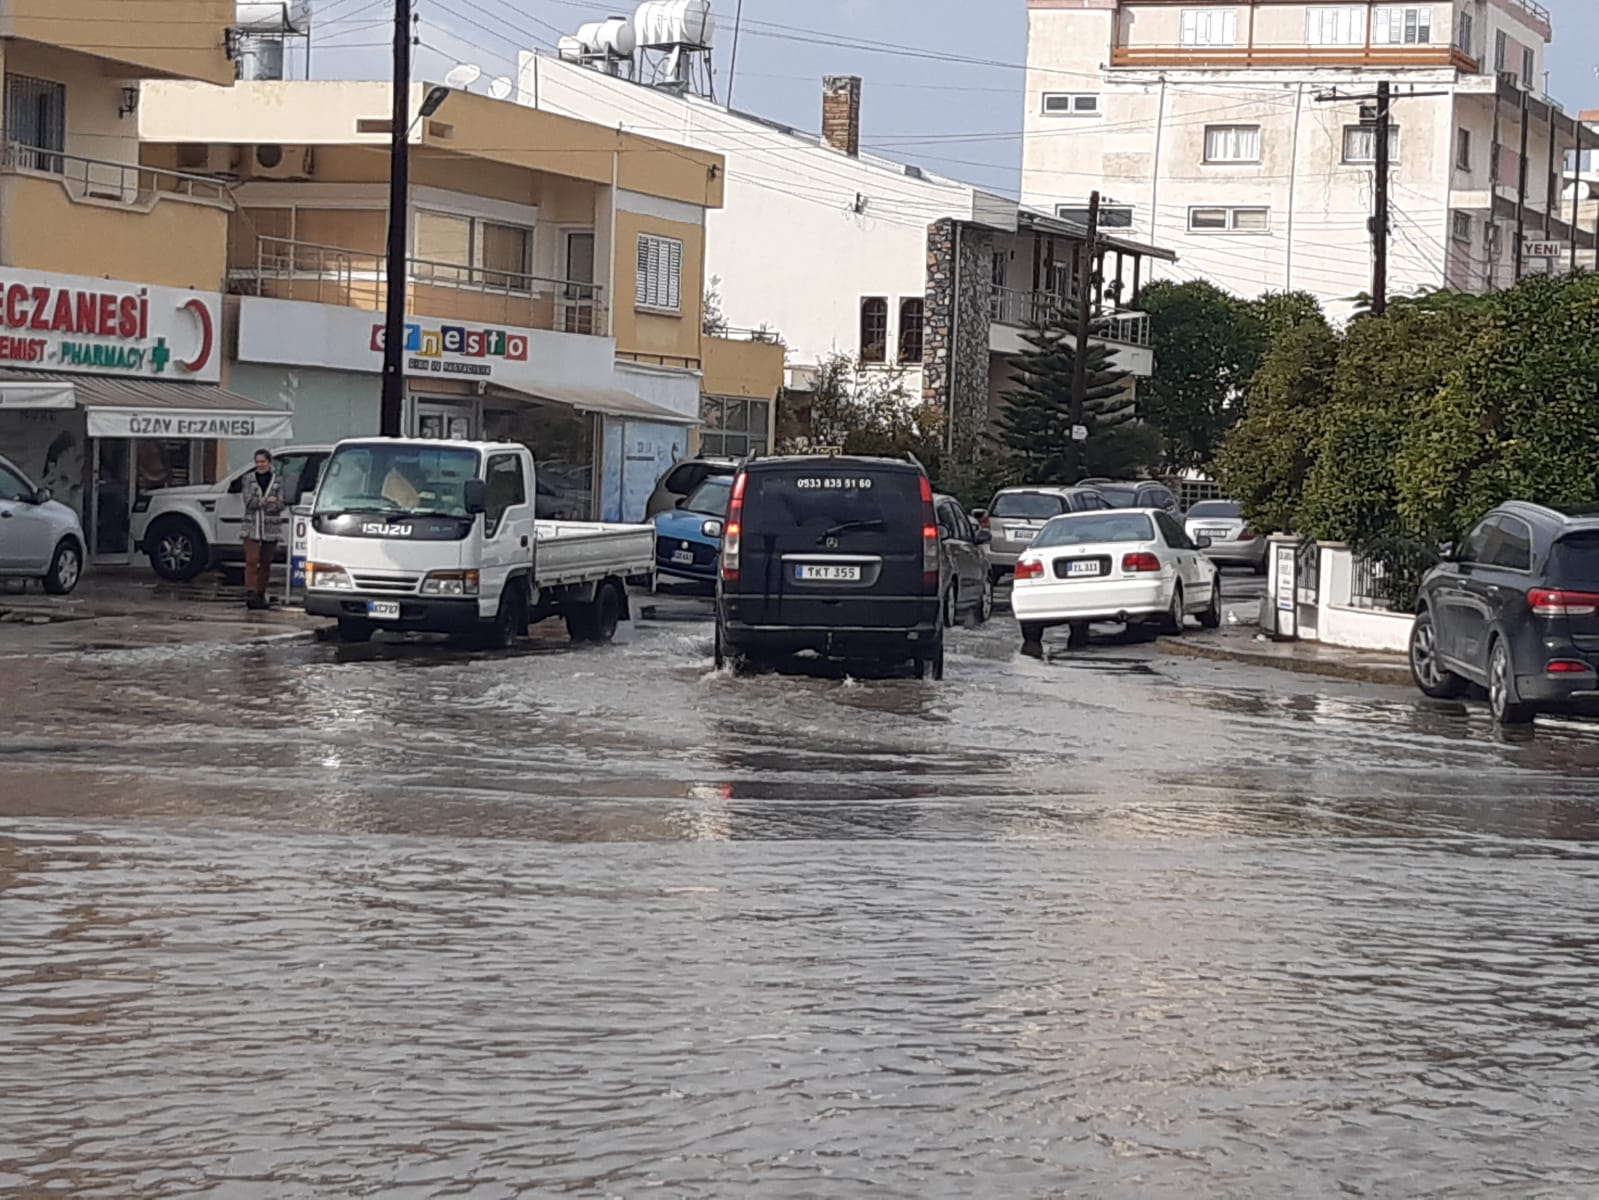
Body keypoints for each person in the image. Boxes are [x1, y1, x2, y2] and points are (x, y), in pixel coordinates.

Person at [241, 449, 285, 610]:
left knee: (266, 562)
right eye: (257, 462)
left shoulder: (278, 480)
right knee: (252, 560)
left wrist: (268, 502)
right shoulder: (248, 479)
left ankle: (261, 593)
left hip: (271, 527)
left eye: (262, 461)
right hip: (251, 526)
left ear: (269, 462)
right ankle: (251, 592)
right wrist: (266, 500)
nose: (259, 465)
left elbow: (280, 504)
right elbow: (248, 502)